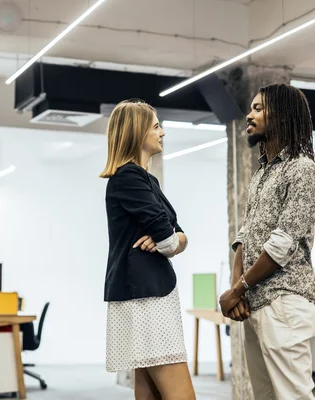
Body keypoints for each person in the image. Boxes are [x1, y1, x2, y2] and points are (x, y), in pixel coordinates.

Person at [219, 83, 315, 400]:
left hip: (285, 302)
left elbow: (281, 245)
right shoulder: (262, 174)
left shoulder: (303, 171)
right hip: (255, 301)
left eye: (258, 108)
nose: (249, 115)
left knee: (292, 395)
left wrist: (237, 288)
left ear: (281, 115)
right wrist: (236, 289)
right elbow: (245, 235)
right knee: (265, 397)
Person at [100, 99, 195, 400]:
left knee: (149, 392)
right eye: (156, 126)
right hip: (145, 297)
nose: (162, 132)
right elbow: (170, 239)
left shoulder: (146, 179)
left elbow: (176, 234)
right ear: (136, 132)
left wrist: (173, 239)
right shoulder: (128, 177)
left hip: (148, 293)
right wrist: (171, 239)